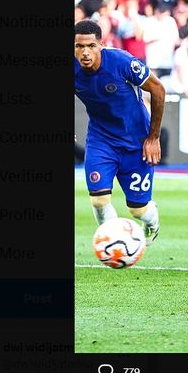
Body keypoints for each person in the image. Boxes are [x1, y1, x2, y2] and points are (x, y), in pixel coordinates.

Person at [74, 19, 166, 245]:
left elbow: (158, 89)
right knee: (98, 200)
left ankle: (152, 222)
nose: (85, 52)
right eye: (79, 47)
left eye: (91, 46)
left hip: (136, 142)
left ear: (101, 45)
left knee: (138, 209)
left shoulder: (121, 62)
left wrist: (153, 137)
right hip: (101, 140)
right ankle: (114, 245)